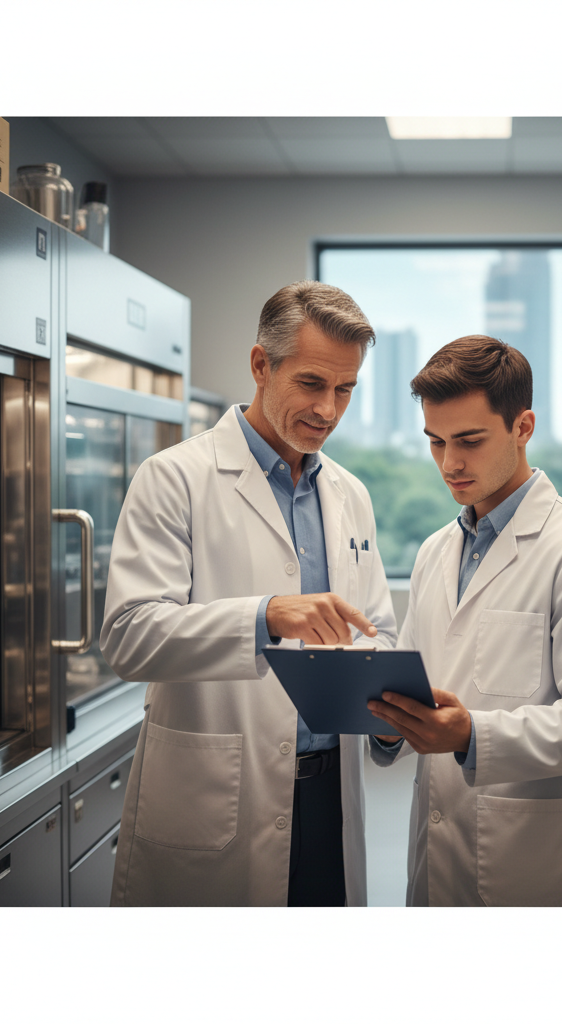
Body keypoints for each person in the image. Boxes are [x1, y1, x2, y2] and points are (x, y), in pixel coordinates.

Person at [100, 281, 397, 906]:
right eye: (313, 383)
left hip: (329, 798)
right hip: (218, 798)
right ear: (261, 365)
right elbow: (129, 636)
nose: (329, 410)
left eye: (345, 389)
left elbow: (377, 632)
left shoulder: (350, 494)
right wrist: (266, 617)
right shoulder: (175, 478)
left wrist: (390, 715)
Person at [368, 336, 562, 906]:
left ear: (523, 427)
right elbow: (418, 682)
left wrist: (472, 734)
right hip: (439, 845)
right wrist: (389, 722)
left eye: (469, 440)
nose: (450, 463)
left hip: (536, 859)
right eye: (436, 442)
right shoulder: (433, 553)